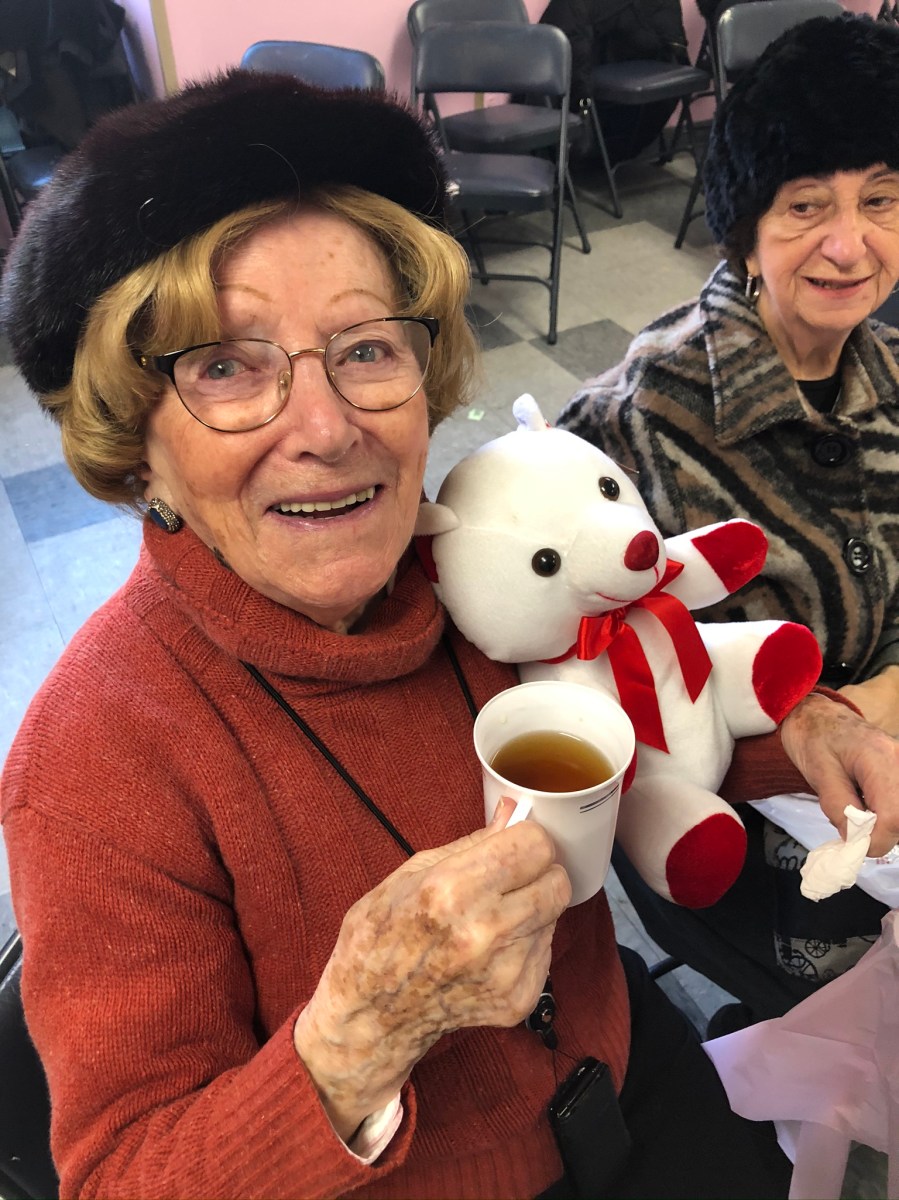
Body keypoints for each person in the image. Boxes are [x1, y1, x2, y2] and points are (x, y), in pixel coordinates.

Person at [0, 67, 889, 1200]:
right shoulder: (93, 762)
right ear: (135, 438)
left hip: (626, 1075)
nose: (327, 429)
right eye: (224, 366)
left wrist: (802, 731)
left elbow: (642, 708)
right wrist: (354, 1040)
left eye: (366, 348)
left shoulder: (473, 567)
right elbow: (121, 1174)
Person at [559, 12, 899, 1027]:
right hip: (739, 825)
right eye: (805, 206)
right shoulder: (639, 419)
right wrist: (837, 720)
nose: (848, 244)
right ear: (744, 226)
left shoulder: (888, 372)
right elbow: (613, 690)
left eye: (880, 199)